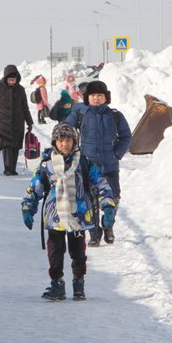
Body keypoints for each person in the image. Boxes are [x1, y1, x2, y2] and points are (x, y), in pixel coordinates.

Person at [21, 123, 116, 301]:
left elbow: (101, 184)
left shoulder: (84, 163)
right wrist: (28, 207)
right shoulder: (46, 165)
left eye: (69, 140)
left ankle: (78, 284)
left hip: (78, 217)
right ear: (55, 142)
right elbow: (35, 187)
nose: (65, 144)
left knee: (78, 252)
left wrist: (108, 206)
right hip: (55, 216)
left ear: (75, 142)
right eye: (61, 140)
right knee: (55, 252)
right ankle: (57, 284)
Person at [64, 80, 132, 246]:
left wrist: (117, 153)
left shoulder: (115, 115)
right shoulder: (80, 113)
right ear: (88, 98)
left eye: (100, 96)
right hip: (88, 166)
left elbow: (126, 136)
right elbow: (65, 130)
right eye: (93, 95)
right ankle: (95, 233)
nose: (96, 99)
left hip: (110, 166)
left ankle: (108, 226)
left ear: (106, 98)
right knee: (90, 200)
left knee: (113, 197)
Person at [0, 64, 34, 175]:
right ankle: (7, 169)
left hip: (18, 122)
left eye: (14, 80)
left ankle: (13, 168)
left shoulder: (20, 90)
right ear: (6, 78)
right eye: (10, 79)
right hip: (2, 122)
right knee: (6, 146)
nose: (12, 82)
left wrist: (29, 121)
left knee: (15, 146)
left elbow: (25, 107)